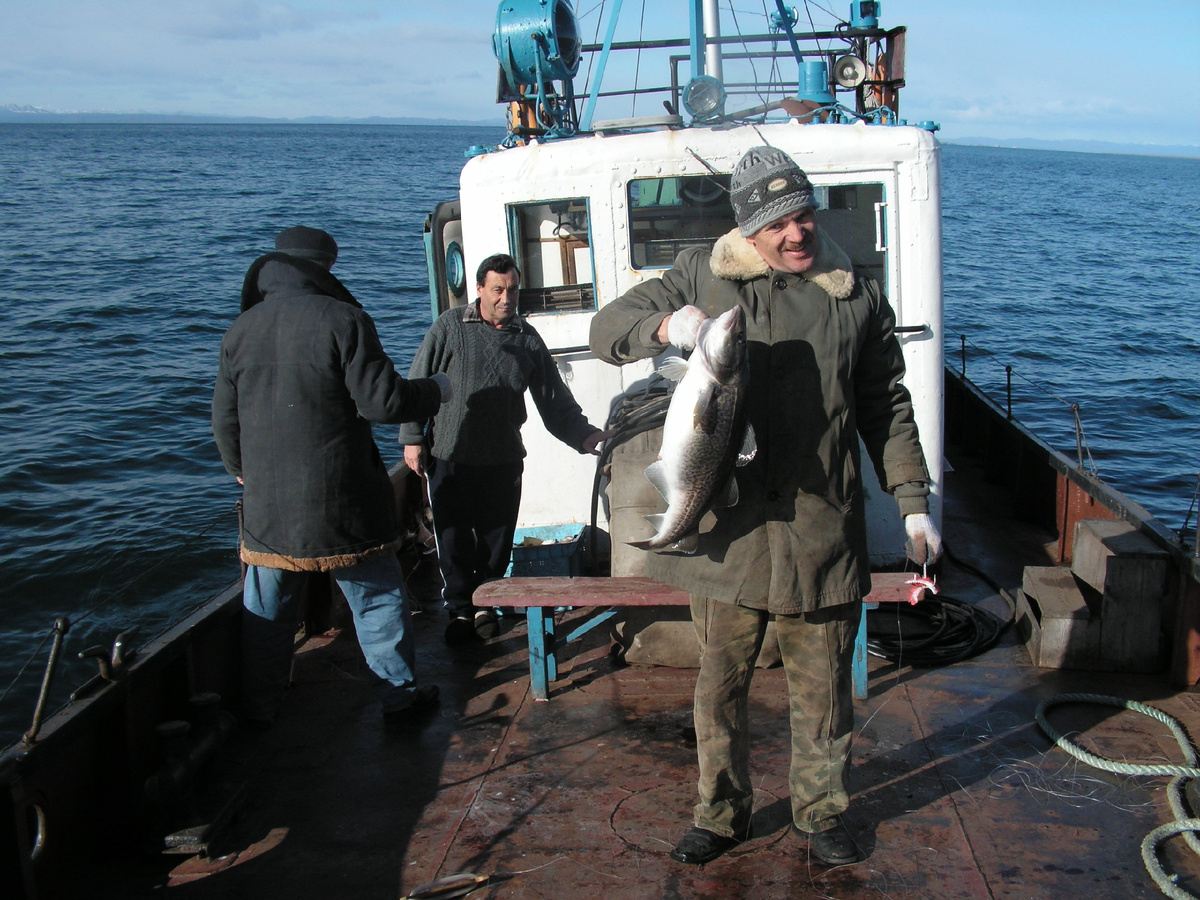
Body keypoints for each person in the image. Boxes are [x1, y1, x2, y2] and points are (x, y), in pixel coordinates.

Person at [588, 146, 942, 866]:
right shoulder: (699, 274)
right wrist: (666, 328)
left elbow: (886, 404)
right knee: (720, 686)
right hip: (731, 535)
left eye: (804, 214)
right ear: (748, 230)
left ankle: (821, 812)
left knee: (825, 691)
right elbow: (605, 334)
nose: (796, 233)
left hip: (821, 530)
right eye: (778, 222)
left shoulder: (857, 297)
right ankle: (719, 814)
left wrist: (911, 499)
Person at [212, 226, 451, 728]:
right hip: (343, 504)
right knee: (376, 601)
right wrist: (436, 389)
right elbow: (384, 403)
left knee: (267, 614)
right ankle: (400, 701)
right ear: (325, 268)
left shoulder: (240, 330)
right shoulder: (344, 319)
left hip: (267, 510)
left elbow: (224, 423)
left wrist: (242, 472)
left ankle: (262, 710)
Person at [400, 253, 608, 645]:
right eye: (497, 289)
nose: (505, 298)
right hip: (450, 455)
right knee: (455, 541)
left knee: (496, 543)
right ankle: (460, 612)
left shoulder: (526, 338)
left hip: (503, 459)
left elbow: (553, 399)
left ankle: (486, 605)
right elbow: (418, 382)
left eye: (512, 289)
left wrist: (585, 436)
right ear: (479, 289)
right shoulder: (449, 327)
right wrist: (412, 438)